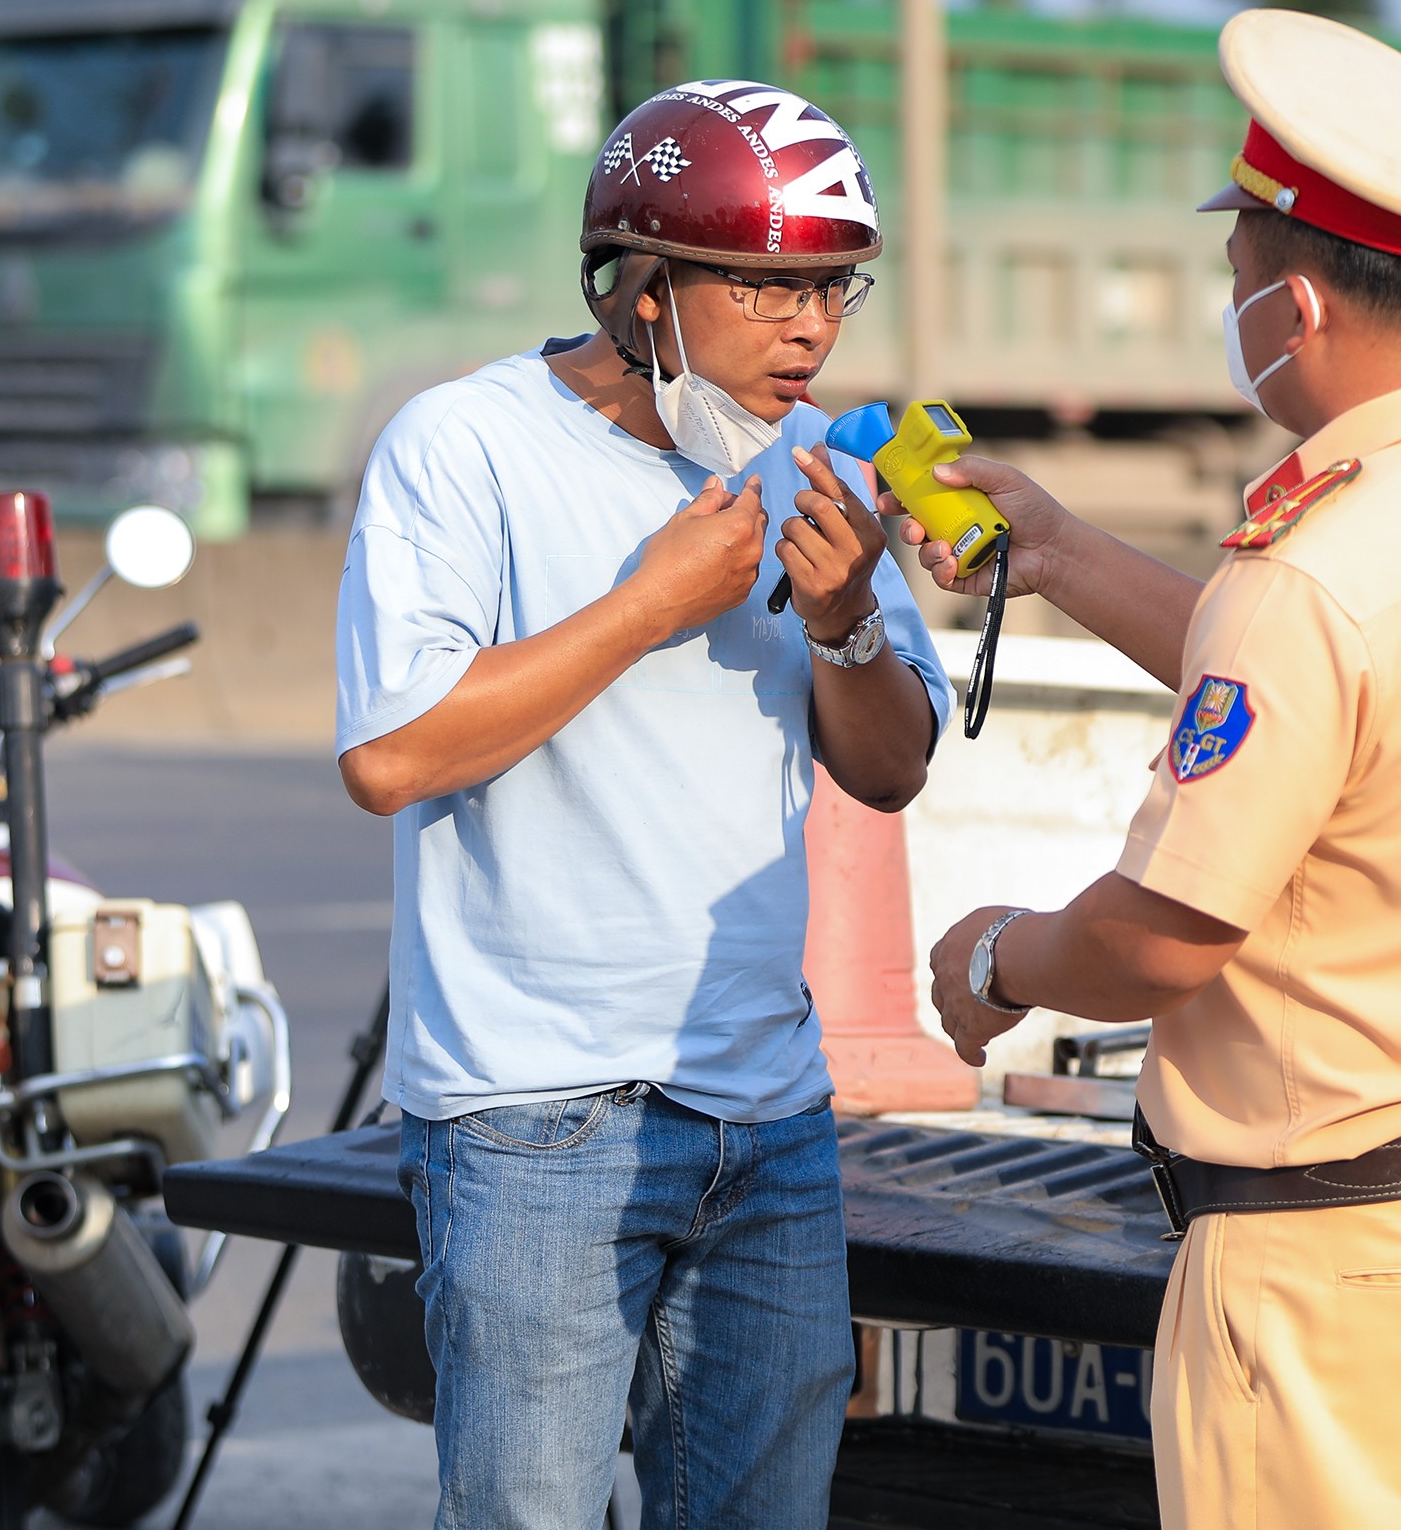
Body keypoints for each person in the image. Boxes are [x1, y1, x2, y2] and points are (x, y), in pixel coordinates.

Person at [914, 10, 1401, 1530]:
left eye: (1236, 275)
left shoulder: (1312, 574)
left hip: (1335, 1281)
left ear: (1296, 305)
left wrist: (1001, 958)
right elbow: (1337, 707)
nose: (1230, 303)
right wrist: (1057, 551)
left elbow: (1168, 933)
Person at [334, 80, 951, 1529]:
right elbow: (392, 756)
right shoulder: (463, 446)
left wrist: (849, 620)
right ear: (645, 284)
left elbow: (893, 763)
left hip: (771, 1113)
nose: (812, 328)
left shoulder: (814, 459)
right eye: (772, 284)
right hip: (533, 1116)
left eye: (835, 287)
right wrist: (646, 607)